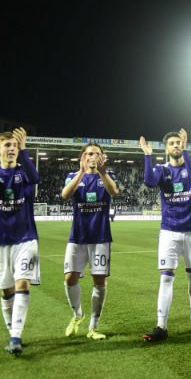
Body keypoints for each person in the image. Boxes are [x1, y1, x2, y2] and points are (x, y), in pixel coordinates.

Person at [140, 129, 191, 342]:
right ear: (166, 148)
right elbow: (150, 182)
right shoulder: (161, 170)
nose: (176, 145)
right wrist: (147, 155)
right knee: (166, 277)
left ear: (184, 144)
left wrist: (187, 150)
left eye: (179, 142)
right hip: (169, 230)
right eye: (172, 143)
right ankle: (162, 326)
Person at [0, 128, 40, 355]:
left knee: (22, 283)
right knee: (6, 292)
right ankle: (12, 333)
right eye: (7, 145)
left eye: (15, 146)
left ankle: (16, 337)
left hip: (26, 238)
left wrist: (25, 152)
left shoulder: (24, 174)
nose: (12, 149)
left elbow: (35, 178)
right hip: (0, 240)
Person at [61, 143, 120, 340]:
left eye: (96, 153)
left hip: (100, 238)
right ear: (82, 158)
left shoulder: (107, 176)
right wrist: (80, 172)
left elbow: (114, 192)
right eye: (88, 154)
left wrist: (102, 172)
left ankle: (93, 327)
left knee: (99, 281)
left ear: (102, 157)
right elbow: (65, 195)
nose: (92, 157)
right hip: (77, 237)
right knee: (70, 278)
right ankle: (77, 315)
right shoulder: (73, 177)